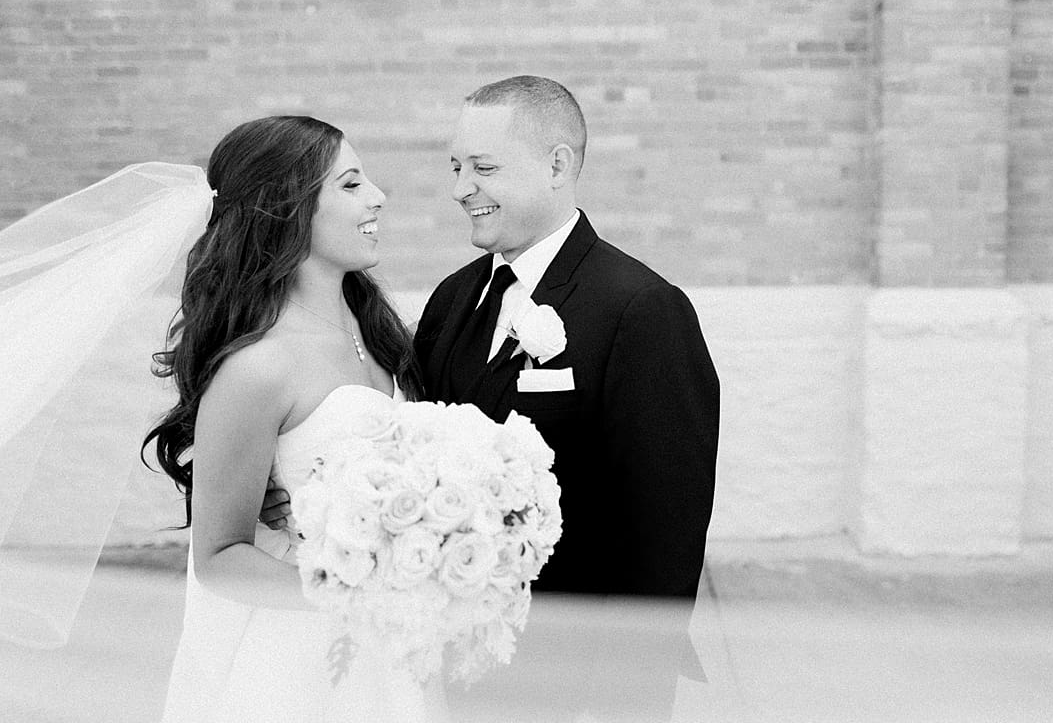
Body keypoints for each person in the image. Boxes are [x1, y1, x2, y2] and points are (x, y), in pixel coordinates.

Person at [413, 75, 721, 720]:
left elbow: (664, 531)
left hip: (580, 675)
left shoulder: (641, 309)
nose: (461, 188)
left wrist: (628, 693)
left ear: (558, 165)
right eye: (456, 166)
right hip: (458, 662)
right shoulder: (451, 300)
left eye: (484, 167)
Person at [141, 116, 441, 722]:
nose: (378, 197)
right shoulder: (258, 368)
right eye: (351, 184)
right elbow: (221, 556)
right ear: (289, 208)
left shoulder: (376, 330)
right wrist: (358, 591)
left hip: (392, 654)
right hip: (296, 665)